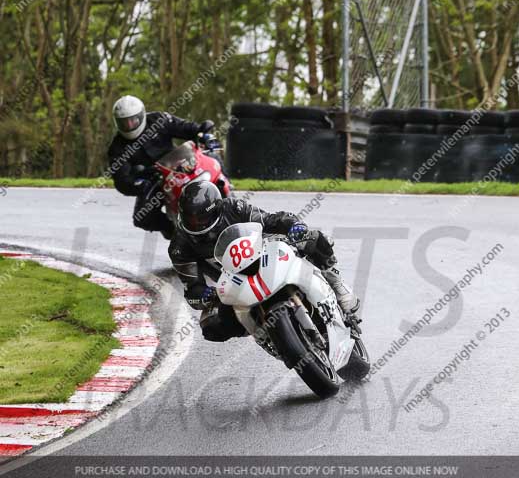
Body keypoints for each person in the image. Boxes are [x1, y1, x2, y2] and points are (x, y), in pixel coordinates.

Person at [168, 180, 362, 343]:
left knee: (313, 238)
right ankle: (265, 334)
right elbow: (192, 288)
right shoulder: (179, 245)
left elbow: (270, 219)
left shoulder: (234, 207)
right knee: (211, 327)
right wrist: (206, 295)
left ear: (216, 209)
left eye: (200, 217)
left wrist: (293, 226)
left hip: (265, 252)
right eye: (190, 219)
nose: (196, 223)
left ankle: (336, 283)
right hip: (230, 284)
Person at [108, 95, 216, 240]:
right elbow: (122, 180)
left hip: (180, 164)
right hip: (153, 181)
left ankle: (228, 190)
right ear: (117, 123)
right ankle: (174, 232)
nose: (129, 125)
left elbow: (183, 127)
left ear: (141, 115)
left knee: (212, 157)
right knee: (142, 217)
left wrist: (200, 131)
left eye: (133, 120)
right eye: (124, 123)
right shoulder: (117, 148)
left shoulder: (158, 120)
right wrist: (139, 183)